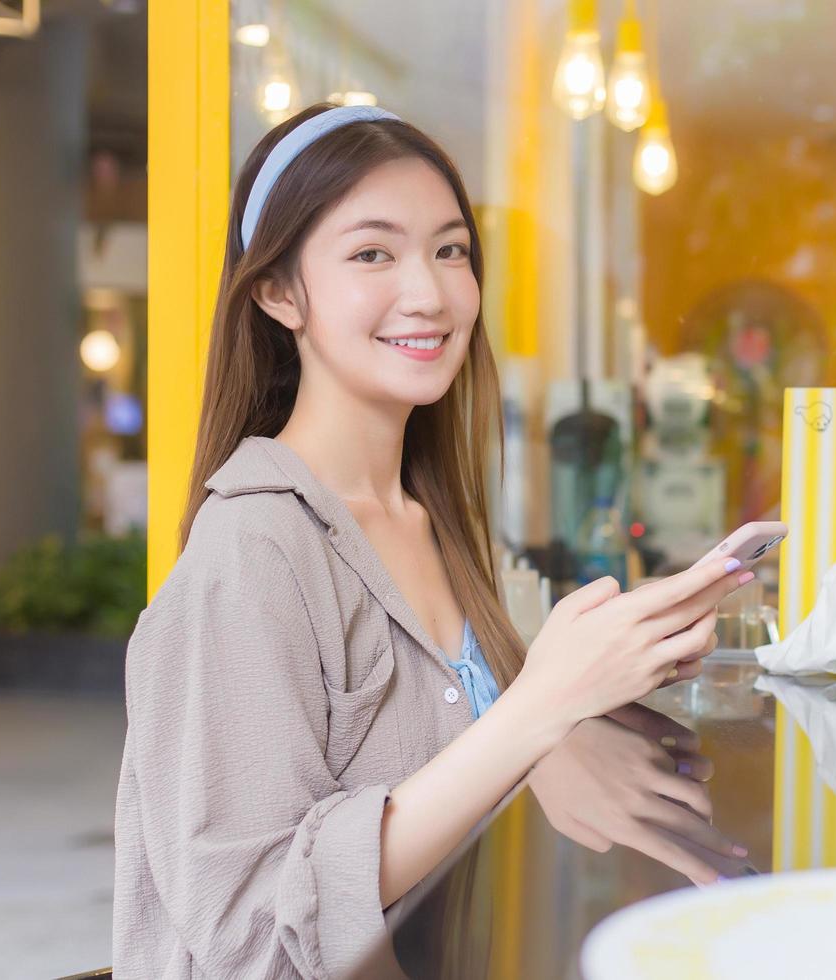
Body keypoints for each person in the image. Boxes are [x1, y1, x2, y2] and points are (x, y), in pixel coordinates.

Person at [112, 103, 751, 979]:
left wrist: (581, 719)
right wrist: (540, 709)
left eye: (450, 250)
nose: (431, 292)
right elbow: (252, 935)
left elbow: (440, 769)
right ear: (278, 292)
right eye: (373, 253)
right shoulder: (251, 554)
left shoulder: (432, 521)